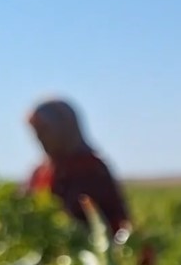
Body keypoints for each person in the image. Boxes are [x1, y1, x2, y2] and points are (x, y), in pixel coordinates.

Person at [25, 97, 134, 237]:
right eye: (36, 131)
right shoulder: (40, 172)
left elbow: (118, 224)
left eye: (44, 130)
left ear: (65, 129)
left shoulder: (92, 169)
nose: (39, 137)